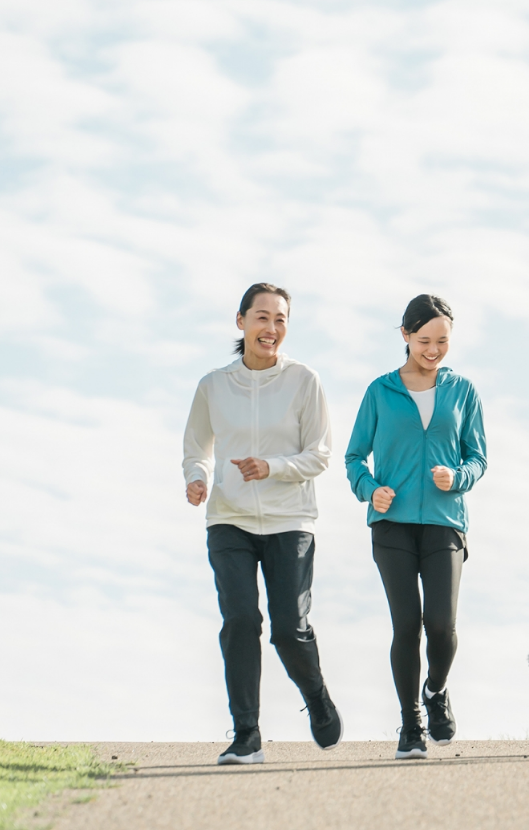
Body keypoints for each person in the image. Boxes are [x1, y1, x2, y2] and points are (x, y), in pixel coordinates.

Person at [181, 282, 342, 766]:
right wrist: (197, 478)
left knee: (289, 630)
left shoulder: (304, 381)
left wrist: (270, 467)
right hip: (228, 519)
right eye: (262, 317)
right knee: (240, 621)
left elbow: (320, 455)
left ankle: (316, 697)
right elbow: (197, 448)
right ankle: (247, 734)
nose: (271, 328)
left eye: (280, 320)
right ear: (241, 322)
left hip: (289, 520)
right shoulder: (213, 385)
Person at [345, 294, 487, 760]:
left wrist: (458, 477)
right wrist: (370, 488)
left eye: (442, 340)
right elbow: (353, 457)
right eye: (424, 340)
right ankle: (410, 724)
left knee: (442, 626)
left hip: (445, 523)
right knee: (407, 624)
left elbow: (478, 456)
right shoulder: (380, 391)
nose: (433, 349)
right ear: (405, 335)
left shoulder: (462, 391)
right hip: (392, 525)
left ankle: (436, 689)